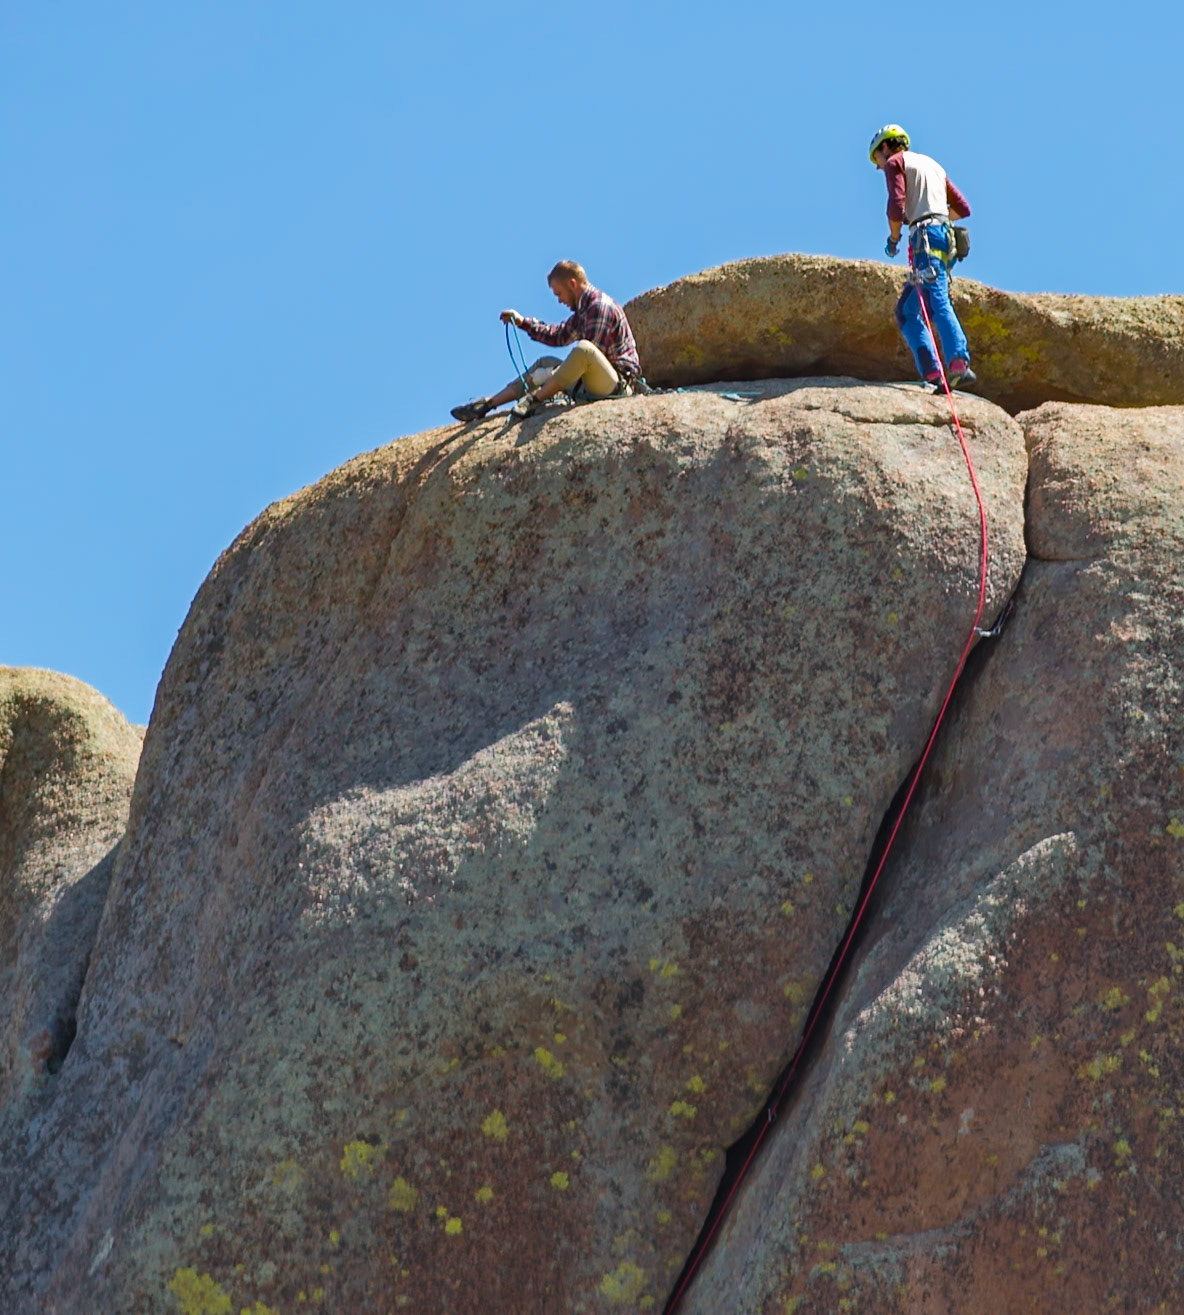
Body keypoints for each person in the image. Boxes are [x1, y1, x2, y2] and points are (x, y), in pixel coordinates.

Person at [451, 261, 642, 422]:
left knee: (584, 349)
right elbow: (558, 335)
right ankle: (487, 404)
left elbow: (589, 358)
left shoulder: (599, 307)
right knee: (544, 363)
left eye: (559, 294)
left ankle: (533, 400)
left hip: (615, 385)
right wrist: (522, 322)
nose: (560, 301)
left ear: (573, 284)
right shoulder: (584, 310)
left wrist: (549, 377)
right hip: (596, 381)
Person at [869, 124, 976, 391]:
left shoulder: (896, 161)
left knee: (937, 299)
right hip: (941, 236)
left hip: (925, 240)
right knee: (907, 312)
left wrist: (894, 238)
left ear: (885, 147)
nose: (879, 167)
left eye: (877, 159)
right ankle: (931, 371)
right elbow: (962, 208)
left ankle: (958, 361)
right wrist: (935, 216)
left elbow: (896, 204)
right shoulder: (933, 165)